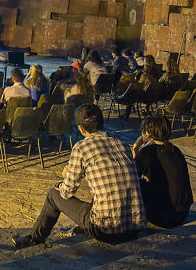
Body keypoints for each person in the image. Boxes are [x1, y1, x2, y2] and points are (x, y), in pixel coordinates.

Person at [12, 104, 145, 249]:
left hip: (106, 231)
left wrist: (66, 175)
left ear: (81, 128)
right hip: (134, 227)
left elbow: (67, 192)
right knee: (104, 189)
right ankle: (81, 228)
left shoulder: (81, 147)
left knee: (54, 195)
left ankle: (34, 239)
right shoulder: (121, 142)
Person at [133, 116, 193, 229]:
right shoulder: (175, 150)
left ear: (147, 133)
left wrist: (135, 150)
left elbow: (132, 176)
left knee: (135, 183)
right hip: (183, 214)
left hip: (161, 217)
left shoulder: (147, 152)